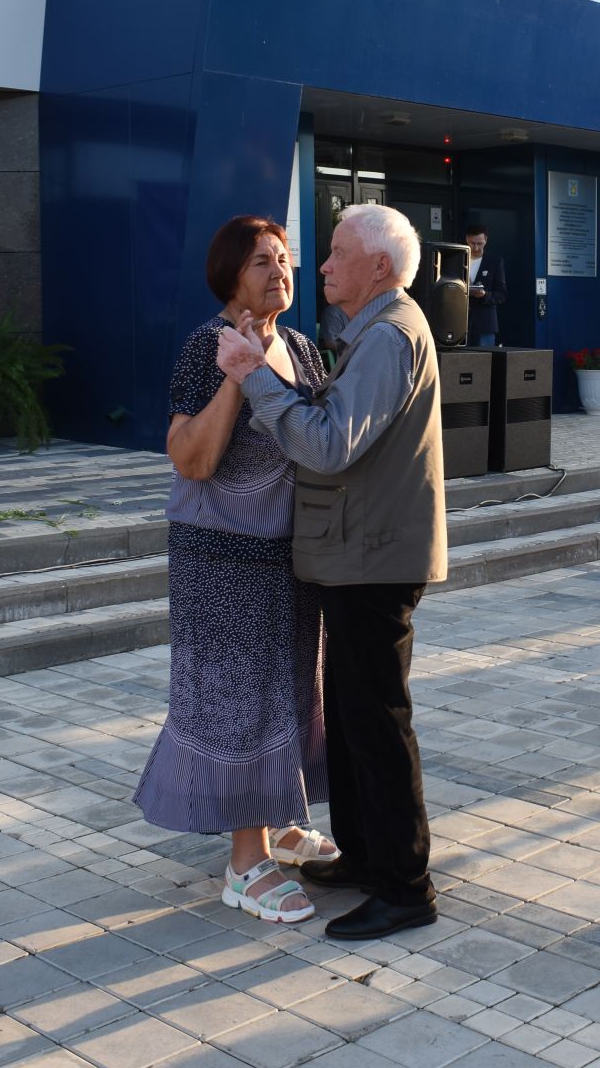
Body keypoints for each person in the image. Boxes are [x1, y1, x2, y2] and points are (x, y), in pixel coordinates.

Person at [217, 203, 445, 940]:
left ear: (378, 266)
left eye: (337, 252)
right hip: (359, 552)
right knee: (352, 719)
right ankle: (368, 857)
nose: (320, 265)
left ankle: (405, 886)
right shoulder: (374, 331)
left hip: (374, 556)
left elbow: (328, 445)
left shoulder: (389, 335)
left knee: (376, 723)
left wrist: (254, 377)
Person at [138, 216, 335, 925]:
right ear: (229, 275)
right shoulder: (207, 344)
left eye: (284, 259)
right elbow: (189, 458)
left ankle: (282, 821)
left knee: (290, 691)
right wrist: (235, 378)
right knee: (239, 701)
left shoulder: (303, 348)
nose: (279, 271)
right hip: (221, 560)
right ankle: (245, 864)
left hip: (290, 558)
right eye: (261, 261)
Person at [463, 225, 505, 348]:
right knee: (459, 357)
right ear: (467, 239)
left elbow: (502, 294)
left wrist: (485, 294)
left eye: (480, 243)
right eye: (472, 243)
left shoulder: (495, 262)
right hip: (460, 321)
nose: (476, 248)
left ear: (486, 240)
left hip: (485, 322)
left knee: (485, 357)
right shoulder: (459, 259)